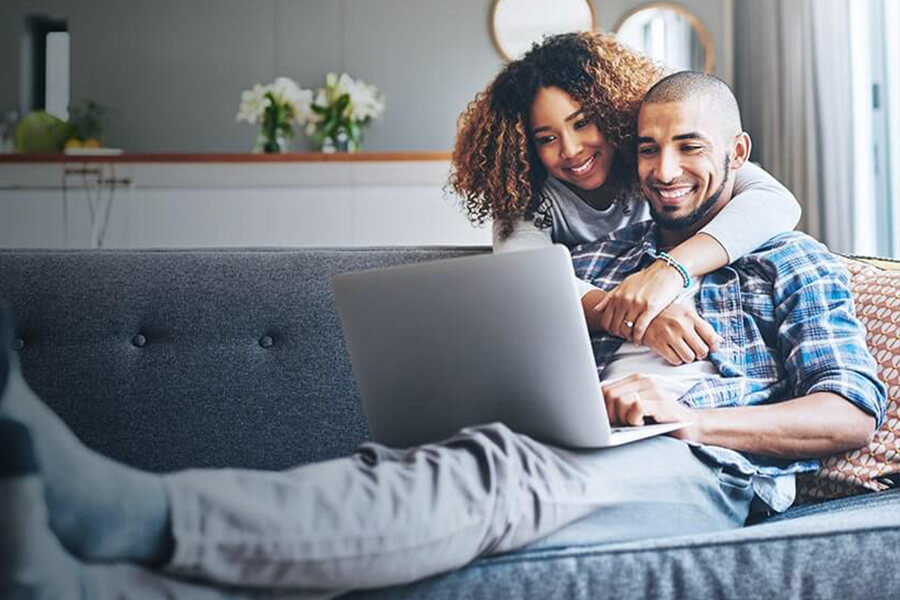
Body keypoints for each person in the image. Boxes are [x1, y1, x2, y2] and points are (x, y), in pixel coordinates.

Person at [0, 73, 885, 599]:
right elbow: (535, 276)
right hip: (585, 440)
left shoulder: (789, 261)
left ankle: (130, 510)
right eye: (647, 150)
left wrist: (684, 419)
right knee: (411, 473)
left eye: (688, 148)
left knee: (496, 473)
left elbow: (850, 415)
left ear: (739, 150)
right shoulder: (615, 246)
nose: (662, 172)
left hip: (706, 472)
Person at [450, 32, 801, 364]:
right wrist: (636, 316)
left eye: (582, 122)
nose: (571, 150)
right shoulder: (526, 197)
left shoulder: (654, 163)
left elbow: (776, 202)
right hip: (600, 345)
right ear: (524, 146)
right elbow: (526, 281)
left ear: (612, 114)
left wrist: (670, 270)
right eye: (546, 138)